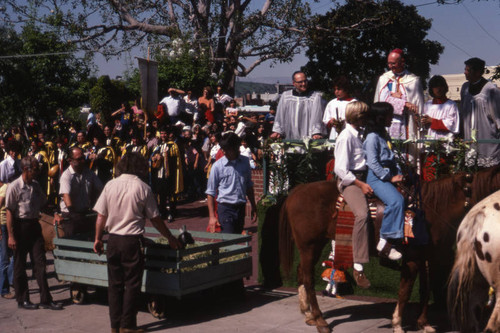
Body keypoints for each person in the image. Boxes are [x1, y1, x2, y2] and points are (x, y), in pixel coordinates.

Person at [93, 152, 182, 333]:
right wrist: (170, 238)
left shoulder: (110, 185)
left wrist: (97, 239)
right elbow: (155, 219)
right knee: (132, 285)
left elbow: (101, 216)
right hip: (132, 242)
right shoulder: (143, 187)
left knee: (115, 285)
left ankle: (114, 326)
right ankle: (128, 325)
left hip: (113, 240)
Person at [6, 156, 63, 310]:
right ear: (26, 169)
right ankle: (23, 299)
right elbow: (9, 212)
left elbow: (44, 204)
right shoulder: (14, 187)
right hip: (20, 227)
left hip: (34, 227)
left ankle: (46, 299)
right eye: (35, 169)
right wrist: (10, 235)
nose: (37, 172)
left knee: (40, 263)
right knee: (20, 265)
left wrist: (55, 214)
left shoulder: (36, 185)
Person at [334, 101, 372, 288]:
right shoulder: (346, 137)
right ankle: (358, 264)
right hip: (351, 180)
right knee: (362, 214)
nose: (366, 118)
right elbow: (340, 169)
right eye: (364, 115)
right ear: (357, 117)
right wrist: (359, 184)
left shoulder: (361, 134)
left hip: (365, 175)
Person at [363, 102, 404, 261]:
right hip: (377, 177)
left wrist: (399, 173)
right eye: (389, 116)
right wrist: (389, 177)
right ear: (380, 117)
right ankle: (385, 240)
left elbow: (392, 158)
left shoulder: (383, 135)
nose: (392, 119)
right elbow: (372, 163)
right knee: (396, 201)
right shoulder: (372, 137)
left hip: (390, 172)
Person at [206, 132, 257, 234]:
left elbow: (248, 186)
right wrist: (212, 217)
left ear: (236, 147)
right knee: (228, 241)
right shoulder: (217, 166)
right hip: (225, 208)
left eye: (227, 149)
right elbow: (210, 193)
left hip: (240, 207)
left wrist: (253, 206)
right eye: (223, 149)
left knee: (237, 240)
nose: (224, 152)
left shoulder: (245, 162)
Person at [374, 49, 424, 141]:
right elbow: (382, 101)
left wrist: (392, 96)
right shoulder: (384, 79)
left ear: (402, 62)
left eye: (393, 63)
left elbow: (418, 105)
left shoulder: (413, 80)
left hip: (407, 122)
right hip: (387, 124)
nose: (390, 66)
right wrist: (405, 103)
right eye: (388, 63)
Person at [460, 57, 500, 167]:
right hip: (470, 140)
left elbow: (498, 118)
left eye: (468, 70)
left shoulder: (491, 90)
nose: (465, 72)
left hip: (487, 139)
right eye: (465, 69)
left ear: (478, 72)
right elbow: (463, 113)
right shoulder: (465, 88)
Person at [58, 147, 103, 237]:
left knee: (92, 235)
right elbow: (66, 195)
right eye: (79, 159)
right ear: (70, 160)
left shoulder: (89, 173)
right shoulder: (66, 176)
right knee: (72, 238)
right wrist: (72, 213)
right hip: (70, 214)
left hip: (85, 212)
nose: (83, 161)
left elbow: (101, 189)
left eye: (83, 158)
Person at [271, 71, 326, 140]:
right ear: (294, 83)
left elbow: (317, 116)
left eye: (305, 81)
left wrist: (316, 132)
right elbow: (280, 115)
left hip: (308, 137)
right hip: (290, 136)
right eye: (300, 82)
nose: (303, 84)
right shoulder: (286, 97)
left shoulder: (315, 97)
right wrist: (277, 131)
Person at [323, 76, 357, 141]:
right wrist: (331, 122)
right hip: (334, 133)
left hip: (349, 134)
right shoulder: (332, 103)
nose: (336, 92)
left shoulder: (354, 103)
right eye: (335, 89)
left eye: (339, 89)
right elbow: (325, 120)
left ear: (346, 89)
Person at [0, 182, 15, 299]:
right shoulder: (5, 188)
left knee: (10, 257)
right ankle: (4, 290)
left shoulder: (5, 188)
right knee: (4, 259)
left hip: (6, 225)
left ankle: (11, 280)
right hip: (3, 226)